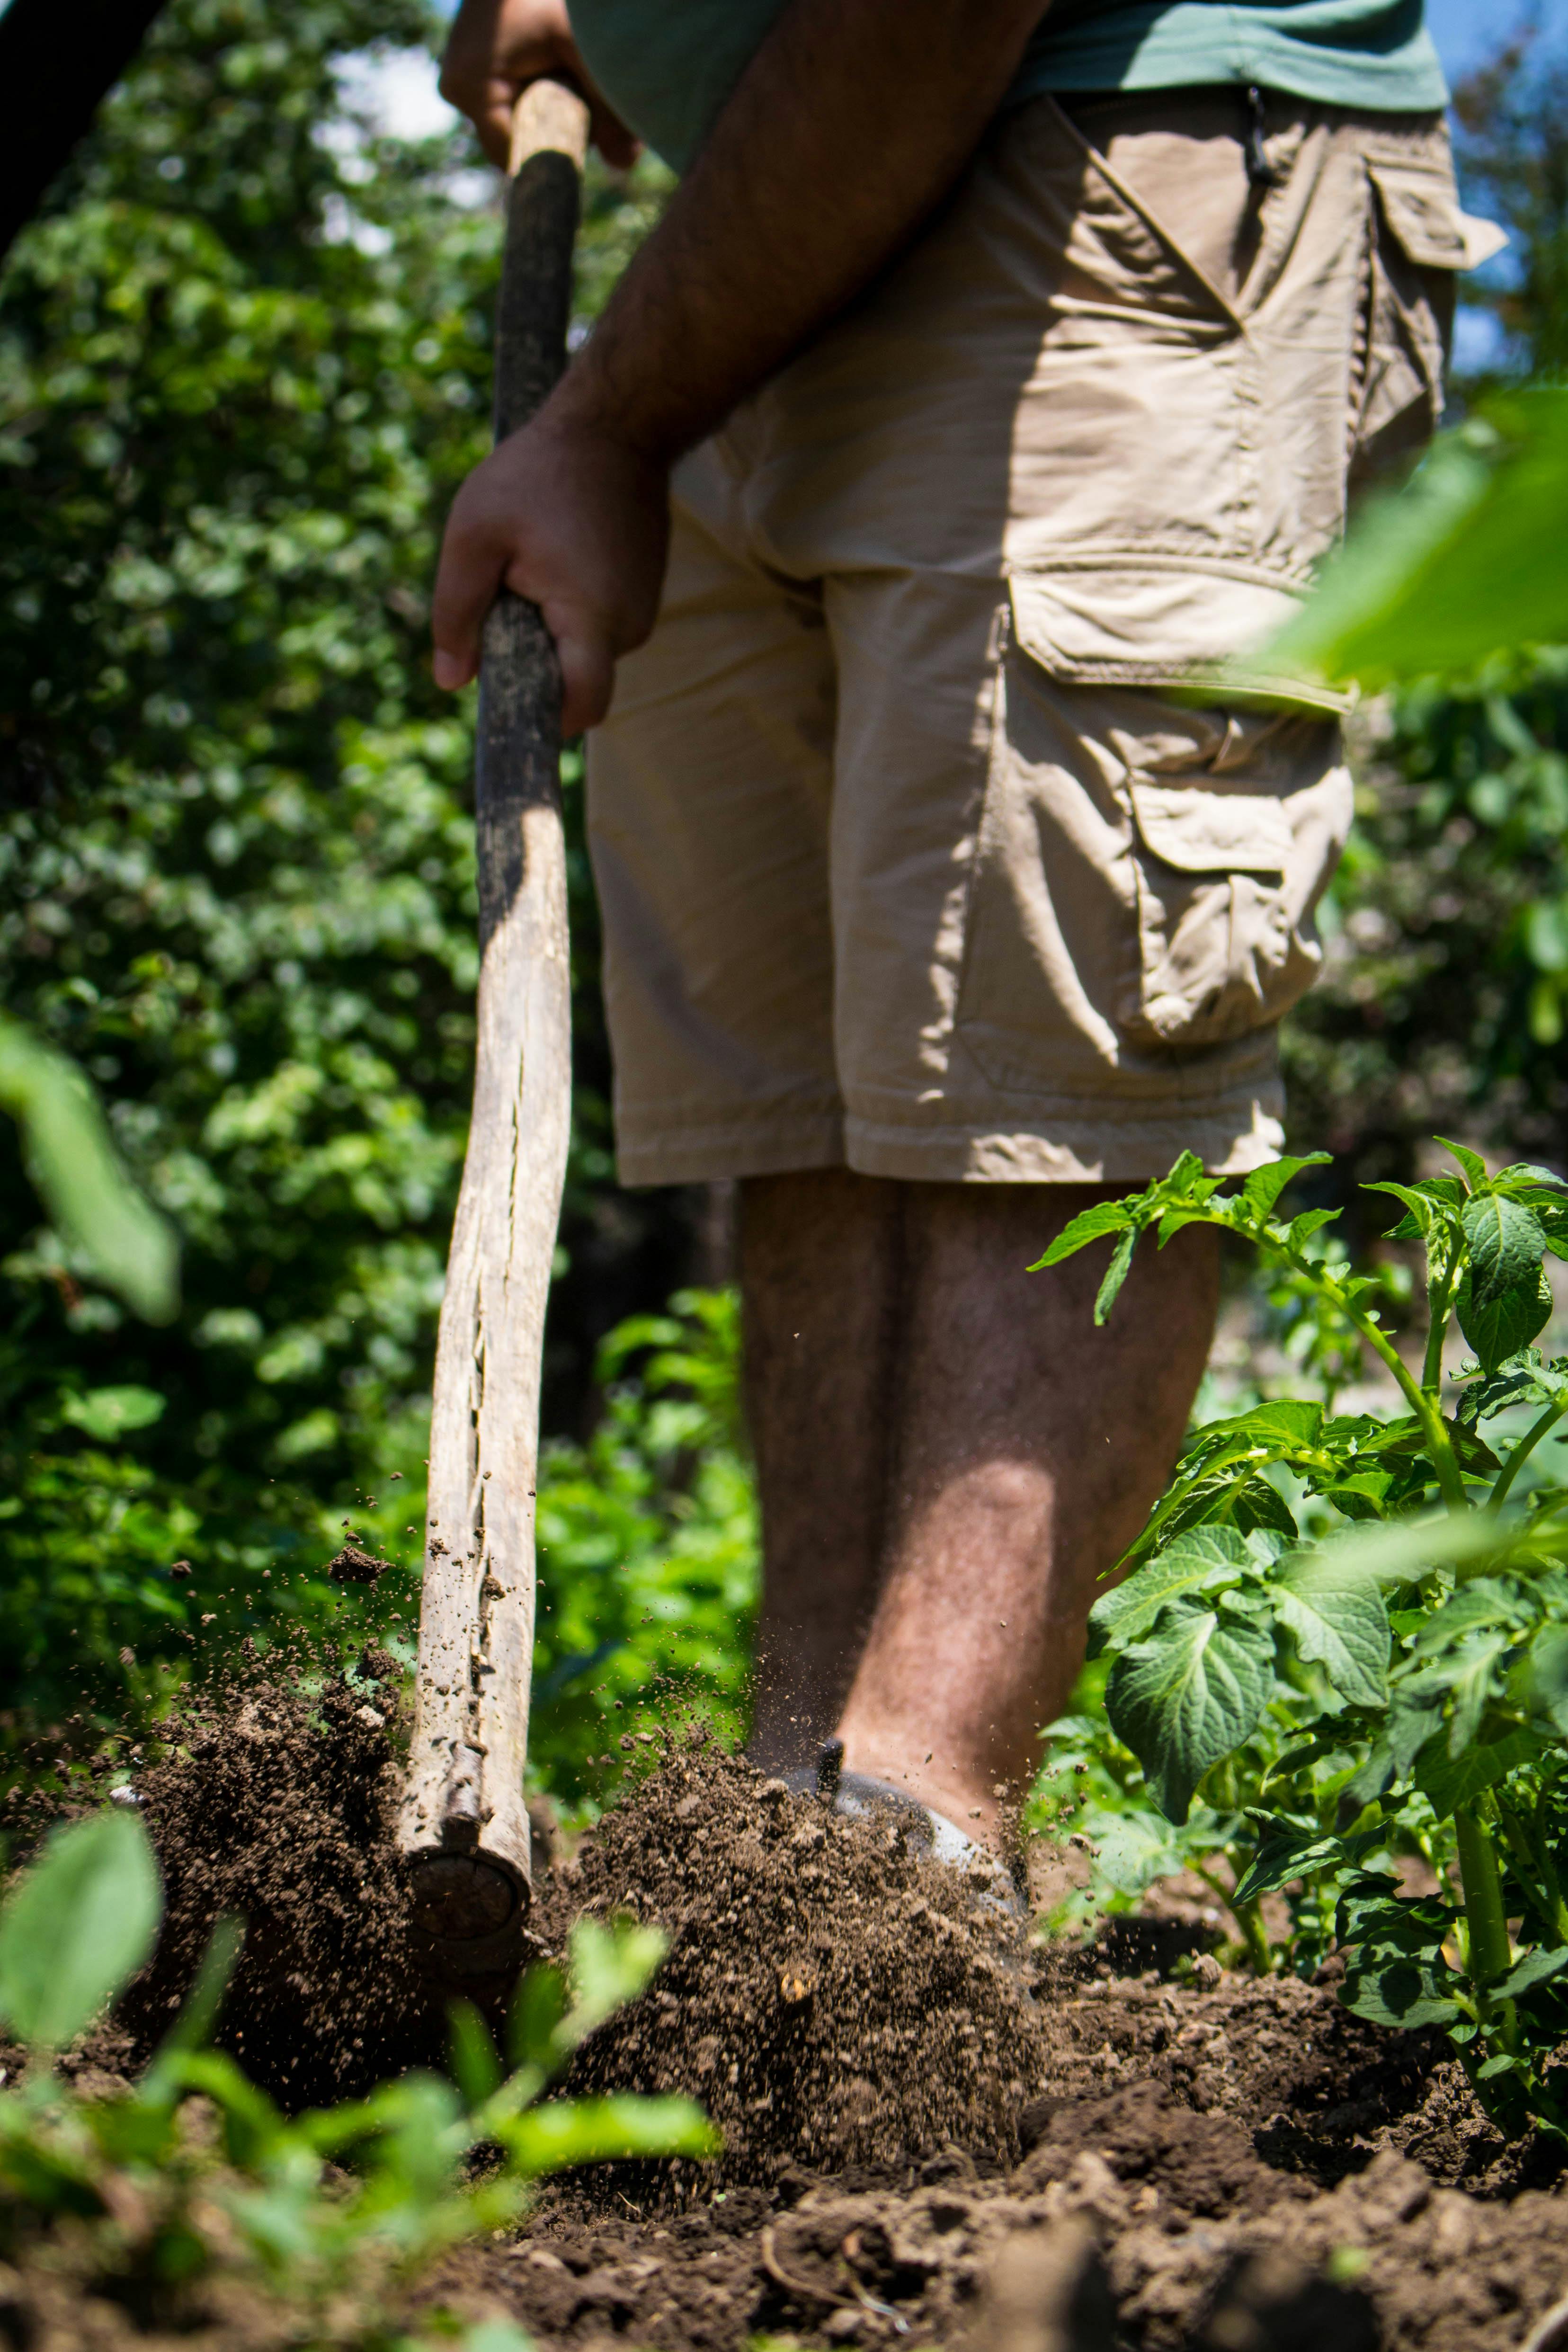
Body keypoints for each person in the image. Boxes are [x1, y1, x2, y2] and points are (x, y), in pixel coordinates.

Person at [433, 0, 1497, 1867]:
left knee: (1043, 1049)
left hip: (1109, 174)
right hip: (753, 239)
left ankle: (921, 1860)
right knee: (818, 1093)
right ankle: (791, 1837)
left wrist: (599, 422)